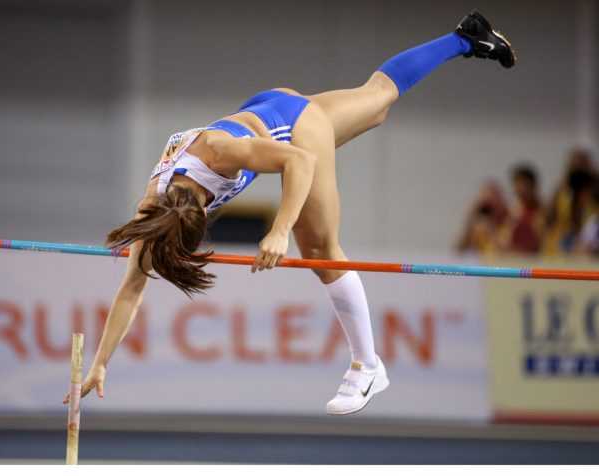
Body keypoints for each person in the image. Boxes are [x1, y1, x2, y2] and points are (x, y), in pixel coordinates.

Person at [64, 11, 516, 415]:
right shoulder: (156, 209)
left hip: (294, 130)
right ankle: (464, 38)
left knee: (318, 248)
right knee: (378, 100)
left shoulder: (220, 153)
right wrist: (101, 363)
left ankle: (367, 366)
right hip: (270, 106)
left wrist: (279, 230)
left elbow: (299, 162)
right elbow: (132, 287)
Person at [544, 148, 595, 255]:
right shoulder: (561, 192)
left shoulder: (593, 193)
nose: (578, 169)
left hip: (588, 248)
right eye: (575, 166)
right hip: (561, 245)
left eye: (582, 166)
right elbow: (549, 219)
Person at [456, 180, 508, 255]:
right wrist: (470, 218)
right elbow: (458, 251)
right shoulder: (479, 228)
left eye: (493, 199)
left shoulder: (510, 221)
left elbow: (507, 251)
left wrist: (491, 231)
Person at [500, 164, 544, 254]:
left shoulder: (542, 211)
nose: (521, 189)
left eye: (525, 184)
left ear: (533, 186)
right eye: (518, 184)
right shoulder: (512, 211)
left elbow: (541, 240)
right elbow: (504, 240)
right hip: (513, 257)